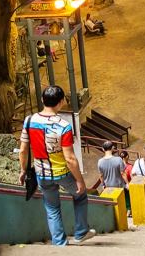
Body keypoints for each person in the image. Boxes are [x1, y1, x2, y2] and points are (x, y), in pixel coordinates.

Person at [19, 85, 96, 246]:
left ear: (42, 100)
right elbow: (70, 159)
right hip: (62, 173)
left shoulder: (29, 121)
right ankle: (81, 232)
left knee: (52, 208)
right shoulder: (63, 126)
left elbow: (23, 150)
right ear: (61, 102)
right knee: (80, 196)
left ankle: (59, 244)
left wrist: (23, 170)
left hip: (42, 174)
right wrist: (80, 180)